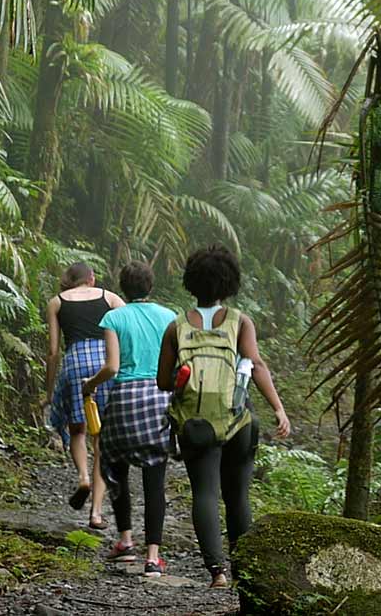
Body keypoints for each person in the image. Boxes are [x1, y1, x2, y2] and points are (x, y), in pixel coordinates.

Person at [158, 244, 292, 590]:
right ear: (231, 283)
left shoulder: (176, 327)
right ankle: (243, 574)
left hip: (195, 424)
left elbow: (163, 381)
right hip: (237, 422)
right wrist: (278, 408)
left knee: (204, 493)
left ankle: (217, 573)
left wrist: (183, 380)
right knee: (238, 497)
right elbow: (257, 365)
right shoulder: (239, 322)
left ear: (191, 282)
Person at [83, 259, 180, 575]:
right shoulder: (170, 317)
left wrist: (89, 385)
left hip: (124, 399)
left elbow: (112, 367)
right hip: (159, 397)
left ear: (122, 288)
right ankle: (153, 556)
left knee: (115, 468)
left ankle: (125, 542)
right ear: (151, 287)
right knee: (155, 478)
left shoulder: (114, 316)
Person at [43, 261, 123, 529]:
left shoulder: (56, 302)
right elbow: (128, 329)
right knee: (101, 439)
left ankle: (83, 478)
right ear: (91, 278)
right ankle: (96, 513)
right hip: (104, 363)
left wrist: (50, 389)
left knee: (77, 430)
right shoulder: (109, 297)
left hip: (75, 362)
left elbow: (53, 351)